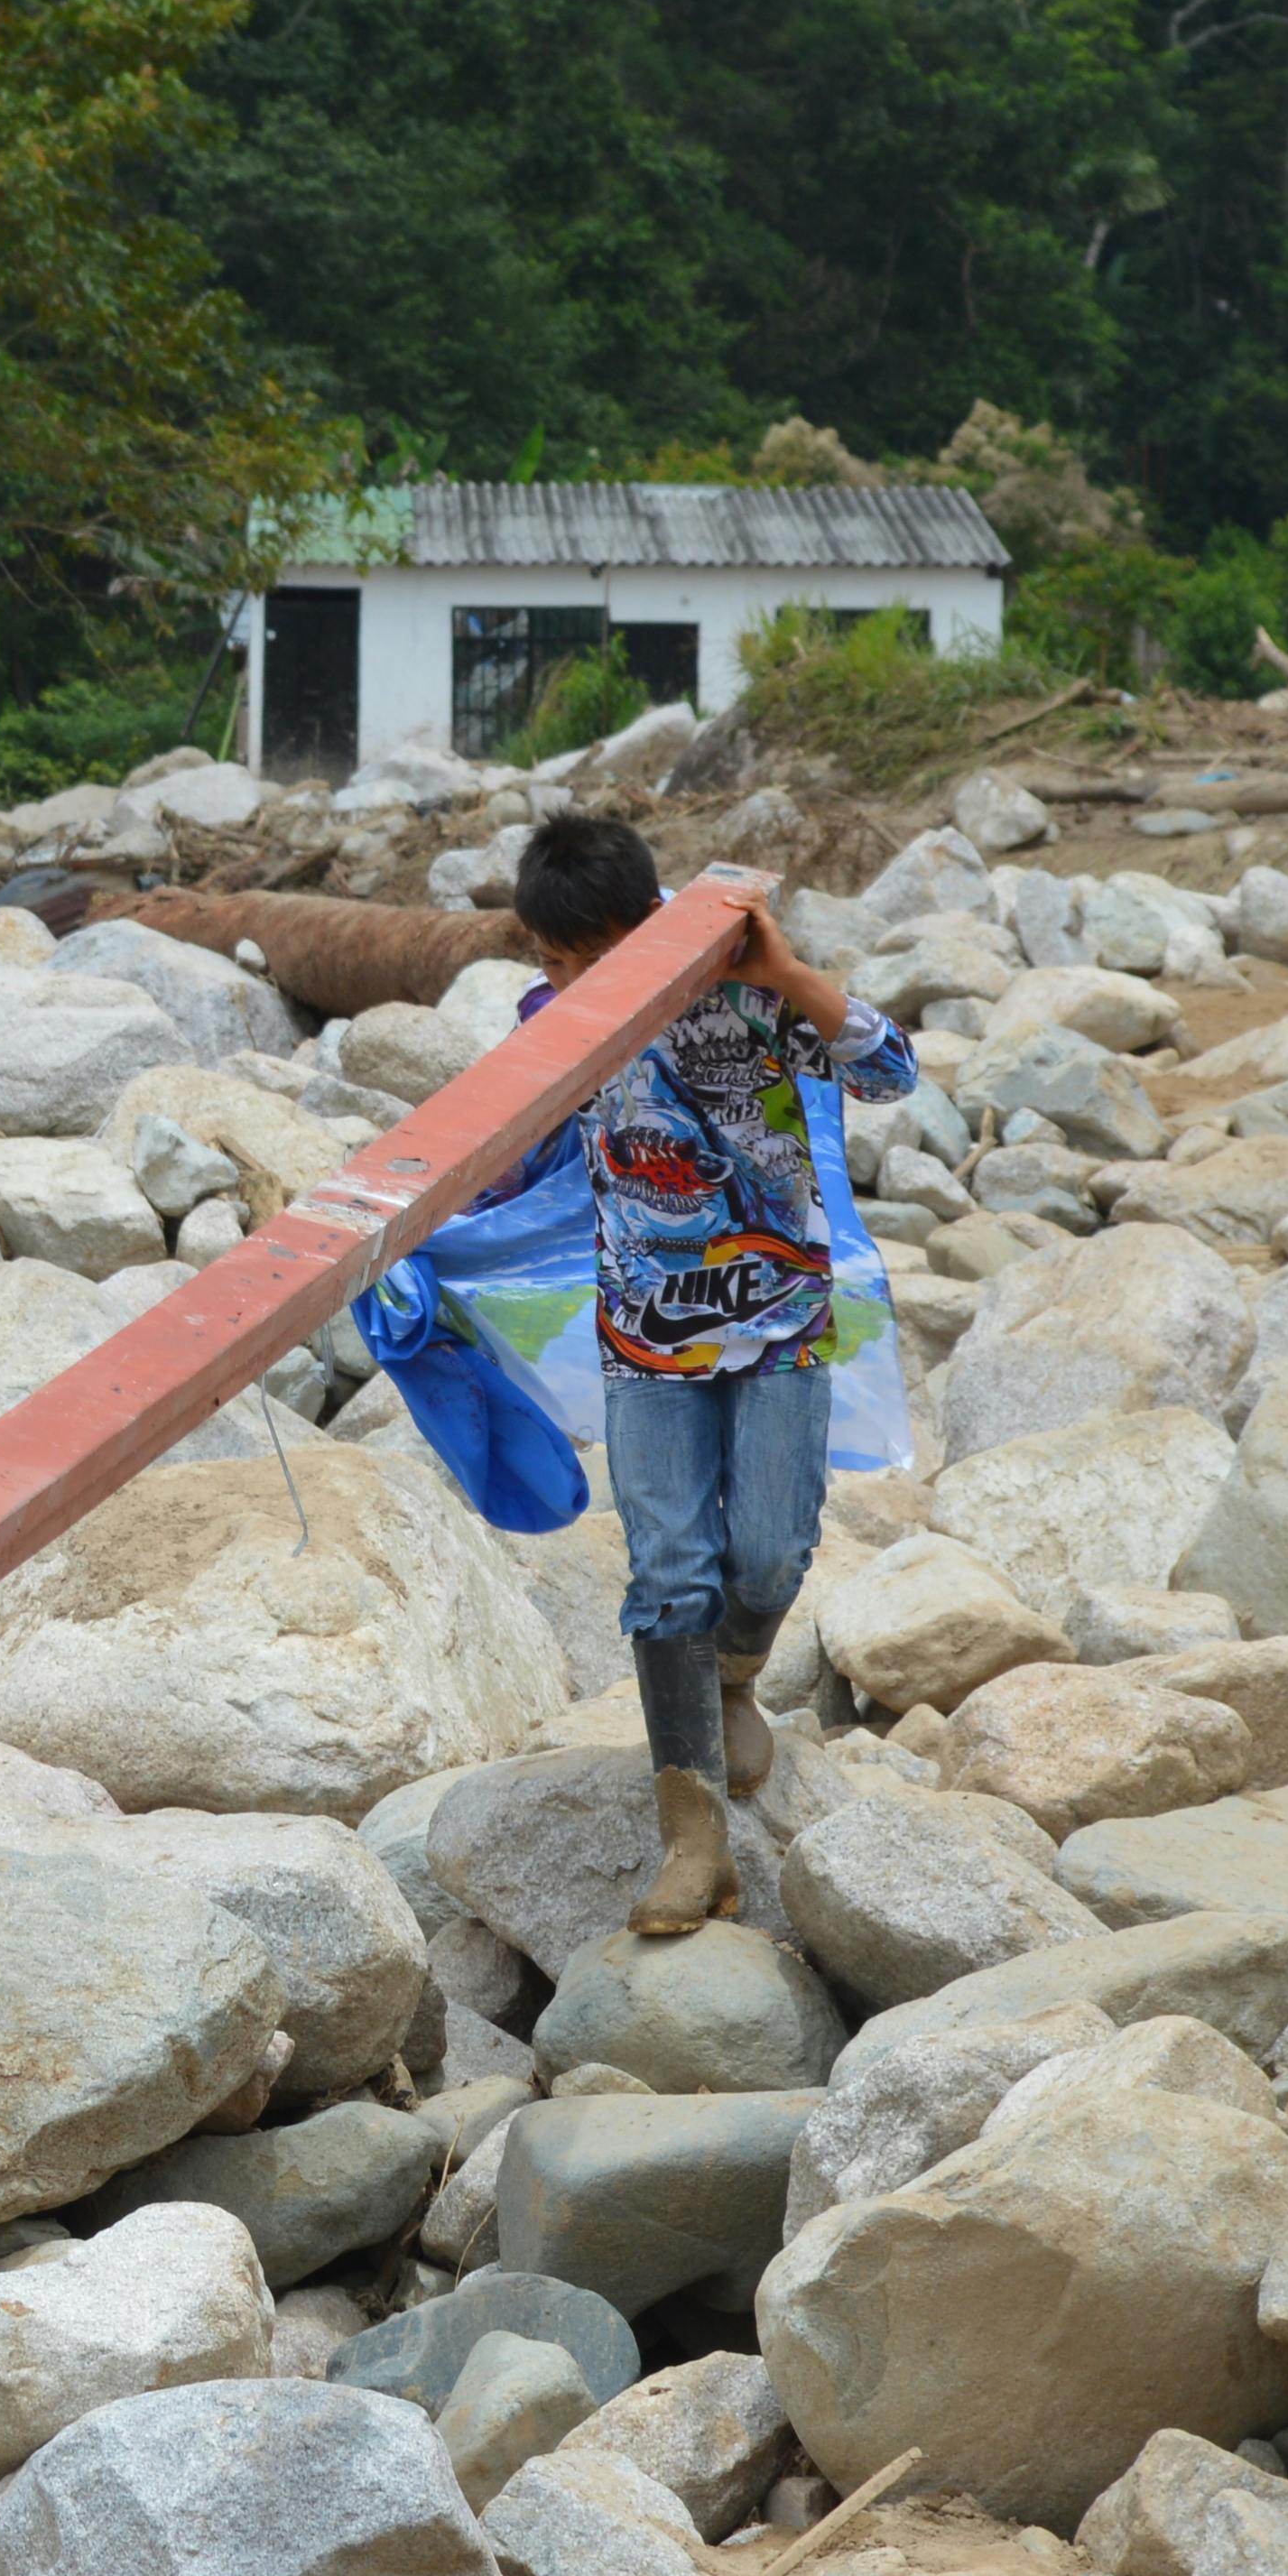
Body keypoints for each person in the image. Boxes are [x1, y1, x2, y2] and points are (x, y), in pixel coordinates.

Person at [502, 811, 919, 1935]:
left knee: (772, 1550)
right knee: (666, 1571)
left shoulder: (755, 1000)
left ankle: (733, 1673)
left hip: (779, 1315)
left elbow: (891, 1072)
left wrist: (782, 967)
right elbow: (508, 1143)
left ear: (639, 929)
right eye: (548, 962)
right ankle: (695, 1843)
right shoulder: (555, 1026)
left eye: (577, 956)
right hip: (644, 1335)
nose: (562, 979)